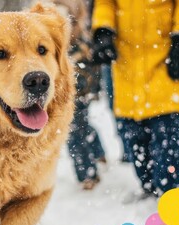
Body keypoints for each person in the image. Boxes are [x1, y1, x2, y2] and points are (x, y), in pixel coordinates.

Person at [92, 0, 179, 200]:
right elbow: (105, 3)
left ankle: (173, 190)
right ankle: (148, 185)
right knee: (132, 132)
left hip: (165, 52)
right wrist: (103, 30)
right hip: (128, 59)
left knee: (165, 129)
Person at [53, 0, 107, 190]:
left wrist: (91, 88)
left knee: (75, 128)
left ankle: (87, 173)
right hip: (61, 91)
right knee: (80, 126)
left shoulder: (81, 42)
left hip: (80, 88)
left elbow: (92, 68)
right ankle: (97, 151)